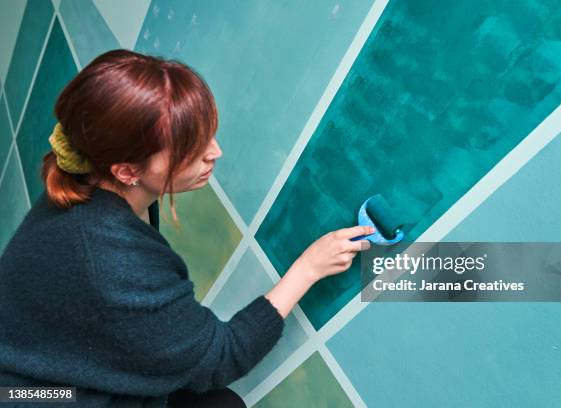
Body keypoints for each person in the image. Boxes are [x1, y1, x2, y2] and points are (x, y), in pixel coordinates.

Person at [0, 49, 373, 407]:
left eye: (207, 135)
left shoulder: (86, 176)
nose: (215, 153)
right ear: (127, 171)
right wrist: (307, 270)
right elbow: (222, 357)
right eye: (190, 150)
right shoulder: (115, 262)